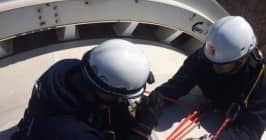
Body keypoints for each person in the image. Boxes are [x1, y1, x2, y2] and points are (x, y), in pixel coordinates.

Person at [12, 39, 163, 140]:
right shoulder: (75, 133)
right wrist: (142, 129)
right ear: (103, 91)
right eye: (119, 96)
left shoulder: (66, 69)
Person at [154, 16, 266, 139]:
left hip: (238, 111)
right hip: (215, 97)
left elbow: (249, 131)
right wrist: (150, 107)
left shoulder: (261, 83)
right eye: (212, 61)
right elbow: (176, 86)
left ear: (241, 60)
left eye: (221, 64)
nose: (214, 66)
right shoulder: (206, 56)